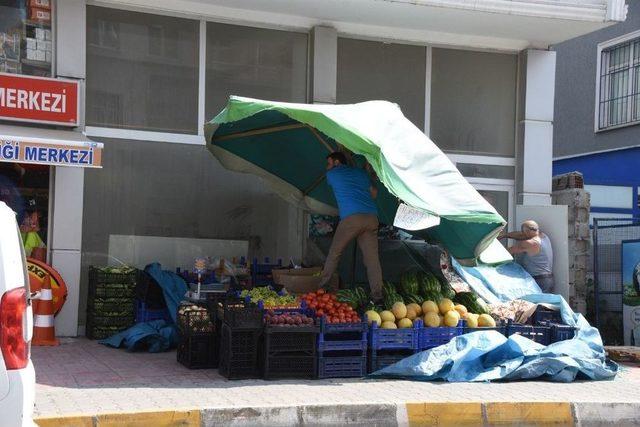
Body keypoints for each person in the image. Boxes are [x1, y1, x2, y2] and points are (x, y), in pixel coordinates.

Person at [318, 152, 384, 301]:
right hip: (371, 218)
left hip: (351, 218)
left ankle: (322, 287)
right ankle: (378, 294)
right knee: (372, 259)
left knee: (335, 253)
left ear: (336, 162)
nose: (327, 167)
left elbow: (340, 180)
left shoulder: (332, 174)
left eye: (329, 163)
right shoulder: (361, 173)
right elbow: (374, 193)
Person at [501, 220, 554, 293]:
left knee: (536, 304)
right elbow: (520, 235)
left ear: (527, 232)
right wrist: (504, 235)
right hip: (547, 279)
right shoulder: (543, 236)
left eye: (523, 232)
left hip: (538, 281)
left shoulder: (531, 243)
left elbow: (507, 251)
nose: (522, 234)